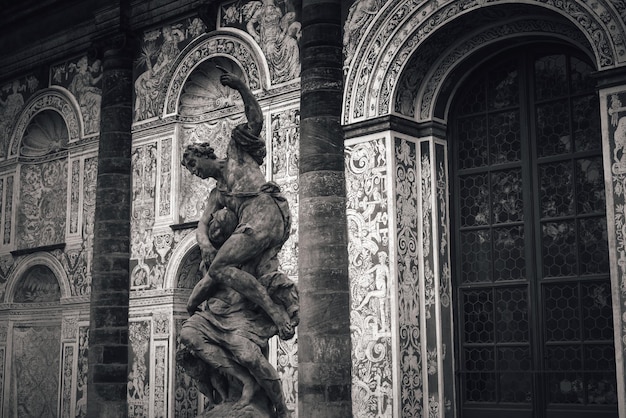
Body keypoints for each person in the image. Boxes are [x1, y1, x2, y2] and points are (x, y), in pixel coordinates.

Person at [179, 69, 297, 417]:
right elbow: (202, 227)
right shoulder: (216, 195)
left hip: (265, 213)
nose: (194, 171)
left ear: (204, 153)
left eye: (194, 164)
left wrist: (243, 88)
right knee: (218, 266)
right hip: (254, 225)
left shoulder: (236, 156)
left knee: (220, 268)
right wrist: (205, 243)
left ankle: (275, 312)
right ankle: (242, 391)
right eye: (189, 169)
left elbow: (256, 119)